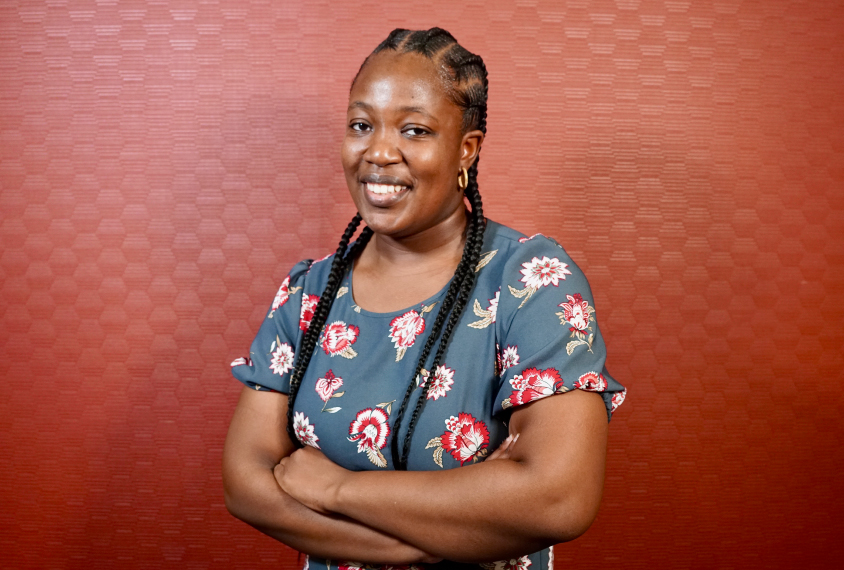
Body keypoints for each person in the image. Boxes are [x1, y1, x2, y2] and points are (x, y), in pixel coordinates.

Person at [223, 27, 626, 570]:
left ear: (467, 149)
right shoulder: (309, 292)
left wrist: (336, 488)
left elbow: (558, 499)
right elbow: (247, 485)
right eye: (361, 125)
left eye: (414, 130)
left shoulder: (532, 280)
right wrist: (449, 533)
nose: (379, 152)